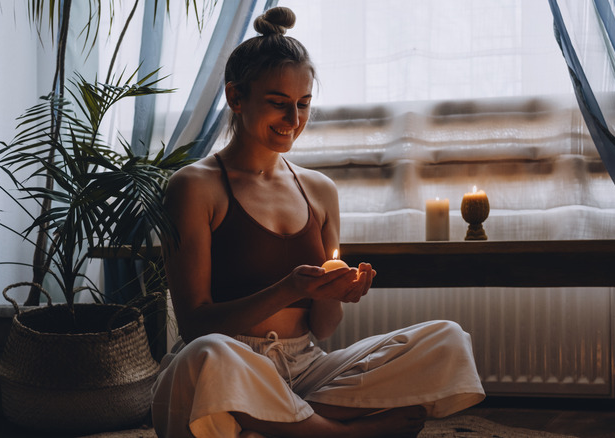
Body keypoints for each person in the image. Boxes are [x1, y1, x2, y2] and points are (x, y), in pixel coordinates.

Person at [151, 7, 485, 438]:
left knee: (446, 338)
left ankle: (277, 422)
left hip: (304, 367)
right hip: (229, 365)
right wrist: (290, 288)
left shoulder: (320, 190)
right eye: (278, 104)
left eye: (303, 104)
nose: (294, 121)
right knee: (207, 356)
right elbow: (196, 325)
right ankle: (341, 431)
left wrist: (335, 293)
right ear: (236, 97)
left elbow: (323, 328)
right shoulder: (193, 187)